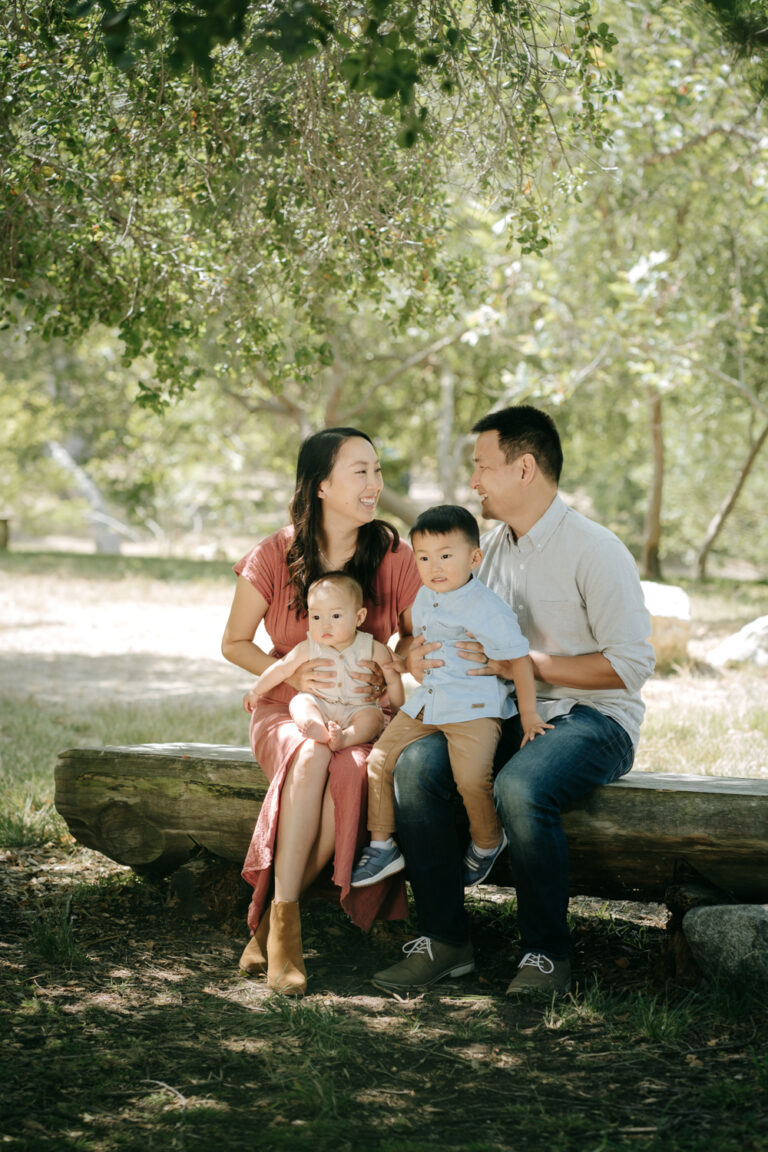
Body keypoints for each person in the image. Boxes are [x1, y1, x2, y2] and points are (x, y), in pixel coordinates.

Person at [372, 405, 655, 998]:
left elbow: (630, 667)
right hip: (499, 709)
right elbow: (448, 628)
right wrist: (416, 657)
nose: (474, 481)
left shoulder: (596, 550)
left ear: (524, 468)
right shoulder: (484, 550)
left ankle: (546, 953)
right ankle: (447, 942)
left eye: (483, 466)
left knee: (521, 787)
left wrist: (523, 665)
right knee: (417, 768)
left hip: (595, 718)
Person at [222, 427, 422, 996]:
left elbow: (412, 642)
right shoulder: (274, 553)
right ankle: (284, 926)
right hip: (290, 710)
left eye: (378, 470)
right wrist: (292, 671)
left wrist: (392, 665)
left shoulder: (393, 555)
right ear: (321, 486)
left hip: (360, 714)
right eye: (360, 471)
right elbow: (234, 642)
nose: (374, 484)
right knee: (310, 755)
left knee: (353, 769)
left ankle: (273, 920)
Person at [350, 504, 550, 890]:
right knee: (378, 759)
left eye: (445, 556)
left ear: (474, 558)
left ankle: (489, 840)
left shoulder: (487, 608)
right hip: (430, 701)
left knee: (471, 779)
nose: (434, 566)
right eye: (423, 558)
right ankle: (381, 843)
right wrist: (407, 663)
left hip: (474, 709)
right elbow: (420, 646)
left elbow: (520, 661)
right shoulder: (425, 597)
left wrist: (527, 715)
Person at [243, 571, 404, 750]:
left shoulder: (373, 648)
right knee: (300, 702)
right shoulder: (309, 647)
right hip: (319, 702)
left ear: (359, 617)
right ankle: (314, 724)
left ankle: (346, 738)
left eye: (335, 616)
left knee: (374, 719)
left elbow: (393, 680)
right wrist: (256, 691)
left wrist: (398, 715)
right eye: (316, 617)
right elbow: (281, 669)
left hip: (358, 708)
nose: (324, 625)